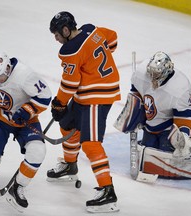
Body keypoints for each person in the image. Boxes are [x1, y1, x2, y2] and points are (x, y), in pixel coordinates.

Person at [114, 51, 191, 182]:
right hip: (151, 124)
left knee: (166, 159)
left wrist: (184, 137)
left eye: (157, 74)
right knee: (148, 158)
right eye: (151, 73)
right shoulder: (141, 73)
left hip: (169, 127)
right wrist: (133, 111)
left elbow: (187, 116)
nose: (152, 77)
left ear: (166, 72)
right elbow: (136, 92)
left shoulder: (178, 87)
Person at [46, 11, 120, 213]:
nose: (56, 39)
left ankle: (108, 191)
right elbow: (112, 37)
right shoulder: (91, 30)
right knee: (67, 123)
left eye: (57, 34)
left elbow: (70, 84)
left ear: (66, 29)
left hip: (98, 97)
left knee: (90, 143)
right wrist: (96, 62)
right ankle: (70, 165)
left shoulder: (70, 50)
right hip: (88, 92)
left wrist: (59, 103)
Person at [0, 52, 52, 211]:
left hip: (25, 120)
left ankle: (18, 187)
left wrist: (27, 111)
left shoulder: (25, 75)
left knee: (37, 151)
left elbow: (45, 96)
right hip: (0, 120)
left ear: (7, 68)